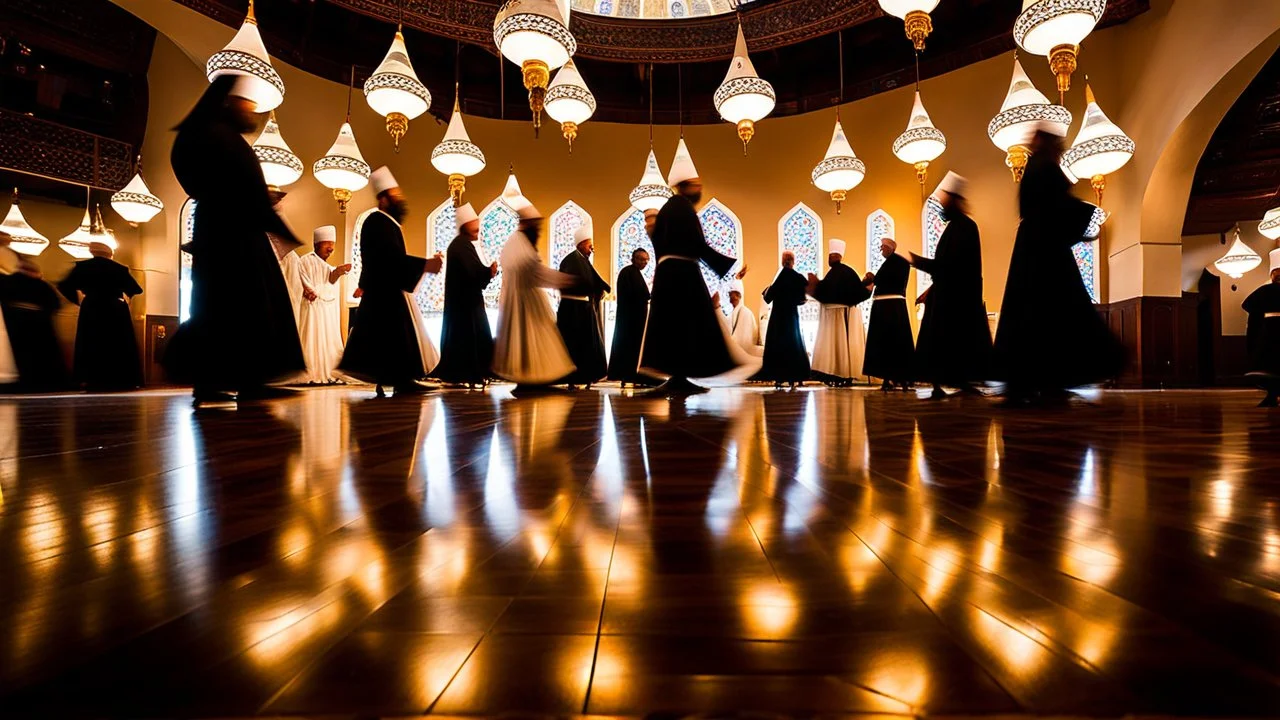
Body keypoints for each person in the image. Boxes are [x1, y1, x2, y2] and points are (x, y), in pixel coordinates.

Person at [165, 75, 305, 405]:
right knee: (241, 307)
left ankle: (225, 381)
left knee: (226, 308)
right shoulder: (220, 137)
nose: (251, 112)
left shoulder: (209, 135)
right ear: (229, 103)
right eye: (247, 105)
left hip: (224, 231)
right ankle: (242, 381)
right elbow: (246, 190)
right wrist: (278, 226)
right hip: (233, 234)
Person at [992, 128, 1123, 405]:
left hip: (1033, 248)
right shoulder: (1045, 167)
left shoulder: (1036, 167)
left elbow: (1042, 207)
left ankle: (1032, 381)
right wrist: (1086, 219)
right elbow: (1059, 206)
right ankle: (1052, 380)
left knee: (1033, 312)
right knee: (1056, 310)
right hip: (1047, 250)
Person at [639, 139, 745, 394]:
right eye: (696, 185)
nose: (699, 190)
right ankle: (679, 378)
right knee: (686, 325)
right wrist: (725, 264)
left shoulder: (671, 208)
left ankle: (679, 377)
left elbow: (661, 244)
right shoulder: (681, 207)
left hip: (670, 274)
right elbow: (696, 244)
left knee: (678, 325)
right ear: (685, 186)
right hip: (681, 275)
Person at [339, 167, 442, 398]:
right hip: (384, 293)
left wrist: (363, 283)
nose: (400, 199)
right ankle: (402, 380)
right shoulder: (378, 221)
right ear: (384, 199)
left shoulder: (386, 222)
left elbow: (376, 260)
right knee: (392, 336)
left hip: (383, 289)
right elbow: (388, 258)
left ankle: (398, 379)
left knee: (388, 338)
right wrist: (425, 264)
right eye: (395, 195)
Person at [909, 172, 993, 399]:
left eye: (945, 201)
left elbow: (949, 266)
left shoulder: (964, 227)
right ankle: (944, 384)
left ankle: (959, 382)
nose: (942, 206)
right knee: (945, 342)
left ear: (955, 202)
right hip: (949, 295)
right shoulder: (955, 227)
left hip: (958, 299)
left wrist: (917, 261)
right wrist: (931, 290)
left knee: (954, 341)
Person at [491, 198, 576, 390]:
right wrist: (566, 281)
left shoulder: (521, 242)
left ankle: (532, 379)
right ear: (526, 224)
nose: (539, 230)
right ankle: (529, 381)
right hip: (522, 300)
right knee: (527, 340)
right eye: (536, 225)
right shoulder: (518, 243)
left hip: (526, 299)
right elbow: (533, 271)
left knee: (531, 341)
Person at [56, 241, 143, 391]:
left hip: (91, 307)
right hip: (115, 309)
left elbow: (63, 285)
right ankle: (119, 379)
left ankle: (92, 379)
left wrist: (78, 300)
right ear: (110, 254)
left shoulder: (82, 267)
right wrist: (127, 298)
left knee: (91, 342)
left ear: (92, 252)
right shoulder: (119, 269)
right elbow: (136, 289)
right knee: (116, 343)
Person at [432, 202, 497, 388]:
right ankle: (468, 374)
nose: (478, 227)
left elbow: (473, 270)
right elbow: (472, 271)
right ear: (465, 225)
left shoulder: (462, 245)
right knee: (468, 339)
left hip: (465, 303)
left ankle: (470, 374)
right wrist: (489, 271)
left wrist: (487, 272)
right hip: (465, 305)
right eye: (474, 223)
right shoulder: (461, 245)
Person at [808, 238, 872, 387]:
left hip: (838, 316)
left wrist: (813, 285)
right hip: (838, 316)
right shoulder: (845, 272)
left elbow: (824, 291)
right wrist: (867, 287)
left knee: (836, 347)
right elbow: (857, 291)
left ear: (838, 257)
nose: (830, 258)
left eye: (832, 256)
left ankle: (838, 373)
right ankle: (842, 374)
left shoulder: (839, 273)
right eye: (830, 256)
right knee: (839, 347)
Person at [0, 255, 67, 392]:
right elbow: (55, 305)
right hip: (40, 326)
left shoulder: (7, 281)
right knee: (41, 356)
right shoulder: (42, 285)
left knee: (20, 356)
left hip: (15, 325)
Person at [556, 223, 610, 387]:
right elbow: (578, 282)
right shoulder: (572, 260)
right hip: (574, 311)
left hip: (583, 309)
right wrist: (593, 289)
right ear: (580, 244)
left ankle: (587, 376)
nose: (591, 249)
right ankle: (576, 377)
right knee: (576, 345)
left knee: (587, 345)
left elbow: (593, 280)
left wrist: (599, 289)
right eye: (589, 246)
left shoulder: (582, 260)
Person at [296, 225, 350, 384]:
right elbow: (302, 279)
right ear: (317, 244)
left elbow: (330, 280)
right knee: (313, 337)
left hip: (326, 310)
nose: (331, 249)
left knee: (328, 340)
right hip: (312, 307)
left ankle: (330, 371)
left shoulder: (327, 266)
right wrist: (309, 289)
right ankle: (312, 372)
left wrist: (338, 272)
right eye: (327, 244)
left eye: (332, 245)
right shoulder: (305, 260)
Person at [863, 237, 915, 390]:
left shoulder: (898, 262)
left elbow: (884, 280)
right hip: (889, 306)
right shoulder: (892, 263)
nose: (881, 250)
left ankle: (896, 378)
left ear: (890, 248)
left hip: (890, 307)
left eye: (883, 247)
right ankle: (890, 378)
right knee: (888, 343)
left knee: (892, 342)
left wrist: (872, 278)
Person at [753, 251, 810, 388]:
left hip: (778, 317)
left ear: (782, 261)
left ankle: (778, 377)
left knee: (778, 345)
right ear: (793, 262)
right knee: (793, 343)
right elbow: (803, 299)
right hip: (791, 316)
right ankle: (794, 377)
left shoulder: (779, 277)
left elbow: (768, 297)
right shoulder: (798, 277)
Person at [607, 247, 651, 385]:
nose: (645, 263)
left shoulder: (635, 273)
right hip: (630, 318)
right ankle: (626, 374)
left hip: (636, 316)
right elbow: (637, 294)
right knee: (628, 346)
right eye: (642, 259)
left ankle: (631, 373)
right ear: (634, 259)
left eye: (647, 260)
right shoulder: (628, 272)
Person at [1243, 248, 1280, 407]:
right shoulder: (1264, 291)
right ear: (1272, 275)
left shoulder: (1265, 291)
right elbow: (1250, 307)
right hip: (1268, 334)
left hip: (1268, 333)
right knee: (1269, 366)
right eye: (1277, 274)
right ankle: (1272, 395)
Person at [727, 277, 762, 356]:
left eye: (731, 293)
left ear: (737, 295)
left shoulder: (746, 313)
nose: (729, 296)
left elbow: (745, 343)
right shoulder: (731, 315)